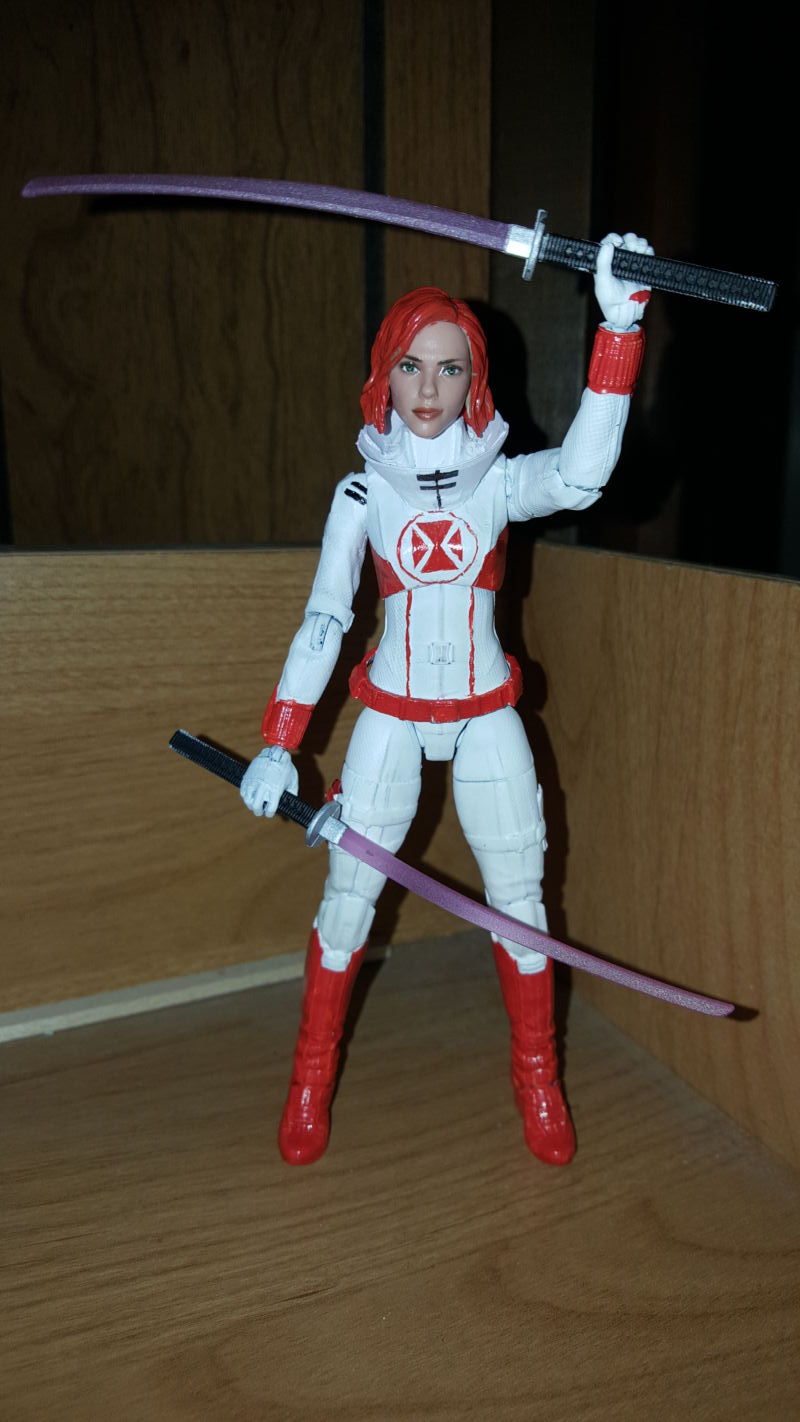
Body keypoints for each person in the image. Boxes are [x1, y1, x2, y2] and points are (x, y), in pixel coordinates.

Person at [241, 233, 652, 1166]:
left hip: (483, 717)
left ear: (476, 381)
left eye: (450, 368)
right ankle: (309, 1077)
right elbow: (324, 620)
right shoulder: (361, 494)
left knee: (521, 904)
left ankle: (538, 1078)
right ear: (383, 375)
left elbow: (582, 474)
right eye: (411, 367)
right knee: (348, 899)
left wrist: (618, 328)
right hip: (390, 715)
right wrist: (279, 740)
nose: (429, 388)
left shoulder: (498, 480)